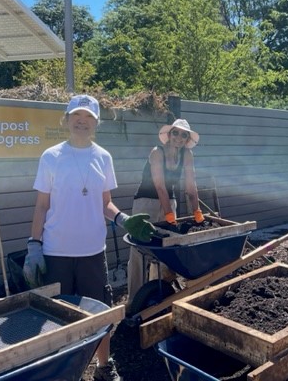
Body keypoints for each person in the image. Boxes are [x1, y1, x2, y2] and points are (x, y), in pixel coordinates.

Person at [22, 94, 151, 381]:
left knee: (100, 314)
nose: (82, 121)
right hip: (57, 253)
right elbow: (42, 206)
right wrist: (34, 246)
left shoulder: (103, 157)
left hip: (93, 252)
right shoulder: (51, 156)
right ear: (67, 120)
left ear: (96, 122)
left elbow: (105, 202)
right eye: (76, 116)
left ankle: (104, 367)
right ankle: (64, 373)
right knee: (58, 319)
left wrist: (124, 219)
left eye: (88, 117)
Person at [127, 118, 204, 307]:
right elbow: (160, 186)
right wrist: (170, 216)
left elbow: (190, 185)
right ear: (169, 135)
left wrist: (197, 212)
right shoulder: (157, 152)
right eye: (176, 133)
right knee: (139, 250)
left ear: (187, 139)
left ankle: (158, 294)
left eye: (184, 134)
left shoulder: (187, 154)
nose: (179, 137)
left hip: (169, 202)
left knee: (165, 249)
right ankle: (134, 300)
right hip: (146, 203)